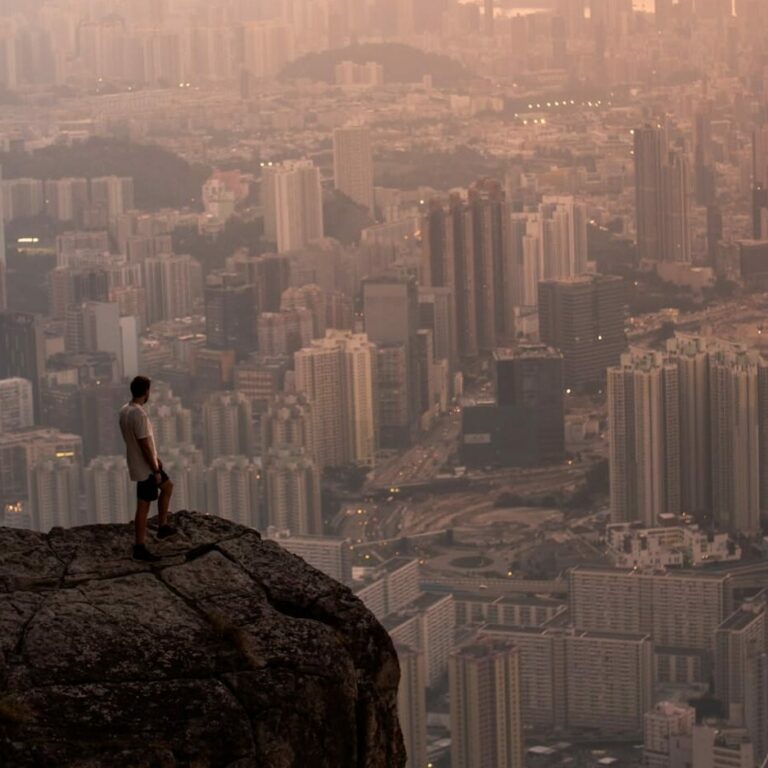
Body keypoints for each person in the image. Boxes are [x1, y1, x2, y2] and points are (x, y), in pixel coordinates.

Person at [119, 376, 176, 561]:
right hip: (146, 467)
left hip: (141, 463)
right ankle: (139, 546)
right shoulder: (139, 415)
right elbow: (143, 443)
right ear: (146, 392)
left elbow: (139, 442)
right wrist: (155, 469)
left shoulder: (125, 411)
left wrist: (156, 458)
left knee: (168, 487)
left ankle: (162, 526)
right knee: (143, 507)